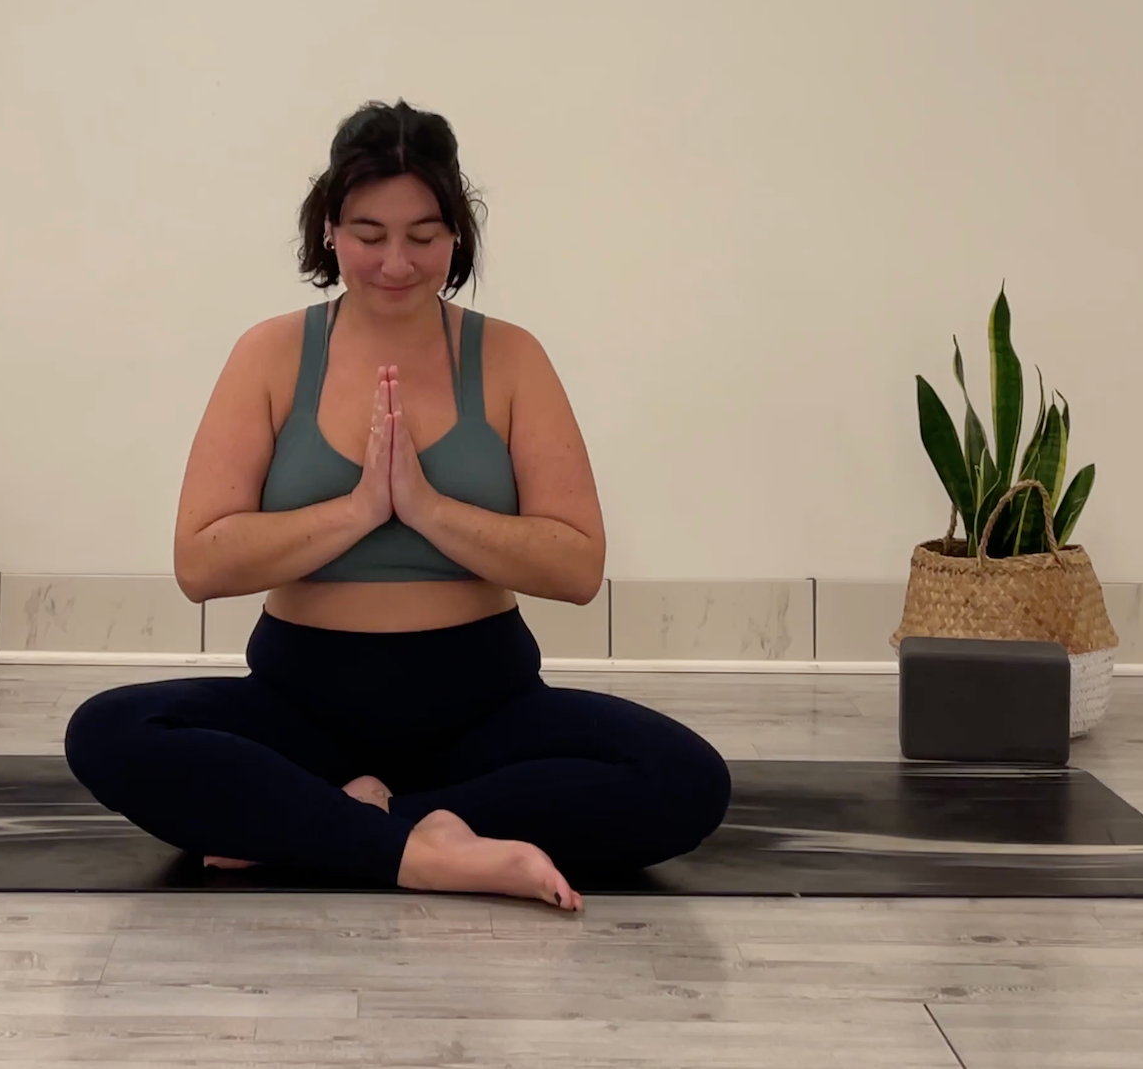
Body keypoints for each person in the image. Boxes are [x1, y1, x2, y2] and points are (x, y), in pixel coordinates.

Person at [64, 100, 731, 911]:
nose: (395, 262)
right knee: (107, 731)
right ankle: (429, 849)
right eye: (369, 235)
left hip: (484, 712)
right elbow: (200, 563)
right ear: (329, 231)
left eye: (423, 235)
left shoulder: (511, 358)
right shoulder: (272, 353)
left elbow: (578, 565)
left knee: (687, 780)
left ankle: (356, 825)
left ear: (457, 234)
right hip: (302, 713)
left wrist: (425, 507)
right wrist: (353, 511)